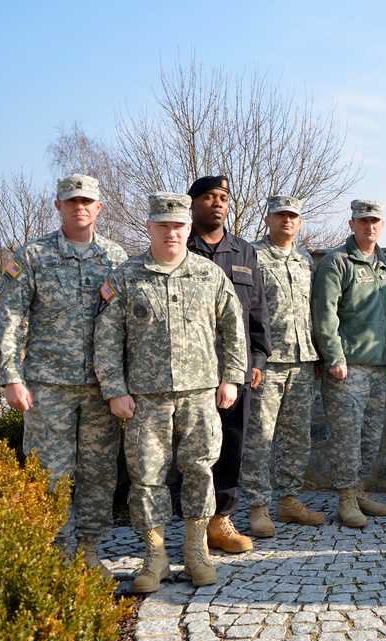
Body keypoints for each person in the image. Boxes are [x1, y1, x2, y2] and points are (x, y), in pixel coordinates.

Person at [94, 192, 247, 593]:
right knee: (146, 478)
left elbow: (234, 327)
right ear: (149, 228)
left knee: (199, 470)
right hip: (145, 398)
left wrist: (231, 377)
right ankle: (155, 556)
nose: (171, 233)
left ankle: (196, 551)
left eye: (178, 226)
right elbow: (107, 339)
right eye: (163, 226)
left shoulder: (209, 274)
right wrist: (114, 389)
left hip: (199, 394)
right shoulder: (126, 277)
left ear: (188, 228)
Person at [0, 174, 127, 576]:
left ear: (99, 207)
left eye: (87, 201)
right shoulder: (33, 256)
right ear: (58, 206)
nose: (79, 207)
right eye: (71, 201)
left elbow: (128, 324)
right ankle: (57, 553)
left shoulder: (116, 258)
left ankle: (88, 549)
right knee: (50, 471)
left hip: (102, 388)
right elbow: (8, 317)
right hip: (47, 385)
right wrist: (11, 376)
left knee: (100, 473)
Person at [186, 175, 272, 553]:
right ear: (193, 204)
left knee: (231, 444)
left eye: (222, 197)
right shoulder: (178, 245)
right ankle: (191, 522)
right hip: (187, 369)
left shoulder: (244, 251)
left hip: (233, 369)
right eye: (208, 197)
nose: (217, 203)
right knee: (189, 449)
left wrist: (257, 357)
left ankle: (220, 520)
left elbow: (257, 309)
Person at [240, 195, 324, 538]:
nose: (286, 221)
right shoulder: (252, 255)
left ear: (300, 222)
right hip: (268, 362)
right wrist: (249, 358)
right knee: (260, 437)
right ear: (267, 218)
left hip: (303, 360)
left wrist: (317, 352)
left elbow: (311, 309)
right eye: (280, 215)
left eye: (292, 216)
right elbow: (243, 310)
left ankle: (289, 501)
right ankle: (258, 506)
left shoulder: (305, 259)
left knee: (297, 437)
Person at [313, 199, 386, 528]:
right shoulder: (338, 262)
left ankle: (359, 488)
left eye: (375, 220)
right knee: (346, 435)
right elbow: (324, 314)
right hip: (346, 367)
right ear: (352, 224)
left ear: (382, 224)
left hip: (378, 367)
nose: (369, 226)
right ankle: (346, 498)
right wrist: (333, 356)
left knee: (371, 435)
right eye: (363, 221)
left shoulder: (385, 265)